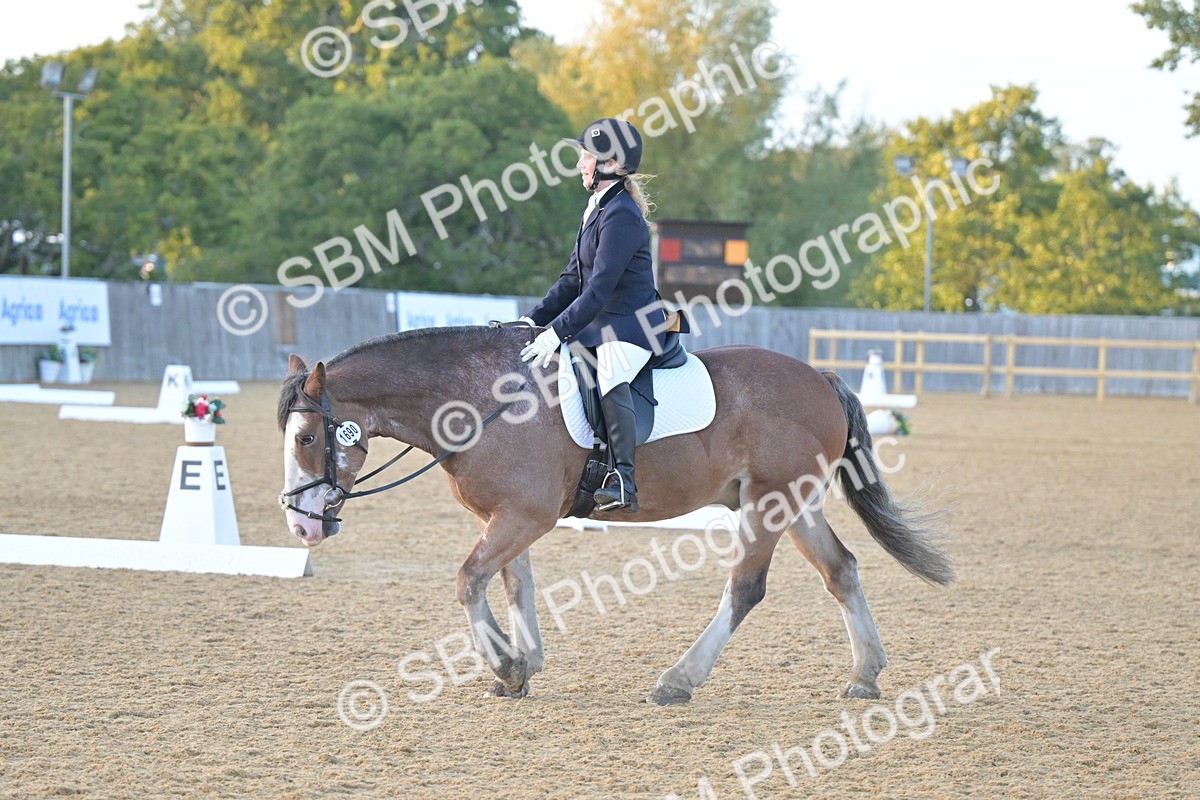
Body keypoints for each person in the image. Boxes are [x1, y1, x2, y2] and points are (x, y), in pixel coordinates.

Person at [520, 118, 667, 513]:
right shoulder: (596, 210)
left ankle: (623, 478)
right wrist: (532, 322)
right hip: (603, 325)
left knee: (610, 374)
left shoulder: (621, 215)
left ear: (612, 165)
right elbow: (572, 280)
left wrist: (555, 334)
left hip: (633, 327)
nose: (581, 164)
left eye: (587, 156)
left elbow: (599, 289)